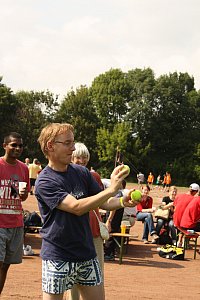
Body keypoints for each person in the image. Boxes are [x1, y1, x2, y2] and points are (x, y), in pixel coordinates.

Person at [35, 123, 136, 300]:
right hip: (58, 255)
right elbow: (76, 207)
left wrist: (121, 201)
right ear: (50, 145)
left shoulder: (81, 172)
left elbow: (104, 202)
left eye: (73, 142)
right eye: (67, 143)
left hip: (86, 254)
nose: (73, 148)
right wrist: (111, 189)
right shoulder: (45, 181)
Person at [0, 132, 29, 295]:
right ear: (5, 146)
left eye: (20, 145)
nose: (17, 148)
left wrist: (23, 193)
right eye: (13, 145)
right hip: (0, 223)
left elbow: (23, 197)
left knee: (5, 265)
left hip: (16, 223)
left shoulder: (23, 168)